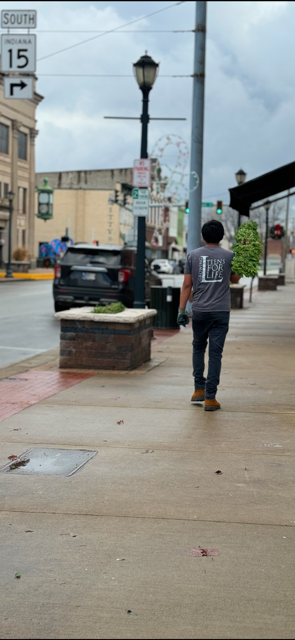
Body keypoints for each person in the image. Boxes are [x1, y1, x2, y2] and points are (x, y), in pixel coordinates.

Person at [177, 220, 240, 411]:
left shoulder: (193, 256)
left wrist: (181, 311)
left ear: (203, 237)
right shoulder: (230, 256)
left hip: (200, 311)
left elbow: (187, 285)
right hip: (221, 312)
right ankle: (211, 398)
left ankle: (198, 389)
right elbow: (235, 280)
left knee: (198, 348)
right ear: (221, 237)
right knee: (215, 354)